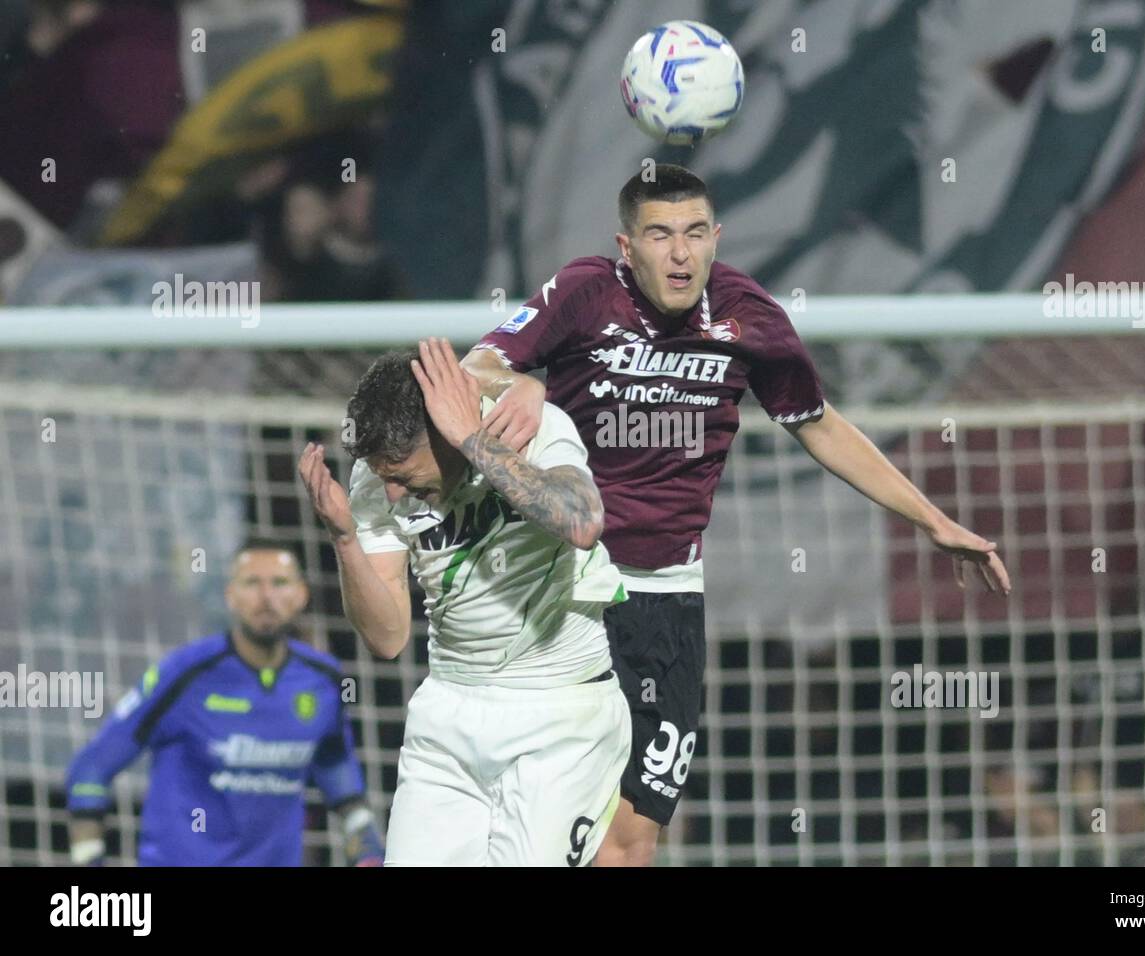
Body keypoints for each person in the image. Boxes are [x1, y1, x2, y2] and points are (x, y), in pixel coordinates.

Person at [462, 164, 1012, 866]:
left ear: (717, 238)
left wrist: (932, 521)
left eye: (695, 233)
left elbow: (818, 423)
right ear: (627, 248)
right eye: (660, 235)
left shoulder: (747, 314)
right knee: (531, 821)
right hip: (562, 590)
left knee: (630, 842)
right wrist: (523, 384)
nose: (681, 253)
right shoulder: (584, 291)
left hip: (665, 606)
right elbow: (477, 368)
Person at [298, 338, 630, 866]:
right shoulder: (379, 476)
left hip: (559, 713)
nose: (392, 493)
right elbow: (387, 638)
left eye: (402, 474)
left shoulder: (527, 425)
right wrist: (345, 540)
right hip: (448, 711)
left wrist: (472, 440)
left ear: (445, 430)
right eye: (384, 477)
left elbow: (582, 522)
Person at [66, 539, 383, 866]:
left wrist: (363, 836)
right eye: (252, 583)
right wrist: (88, 858)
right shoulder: (185, 674)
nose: (266, 597)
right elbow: (91, 768)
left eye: (279, 583)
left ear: (301, 595)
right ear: (230, 595)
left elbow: (336, 765)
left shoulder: (324, 680)